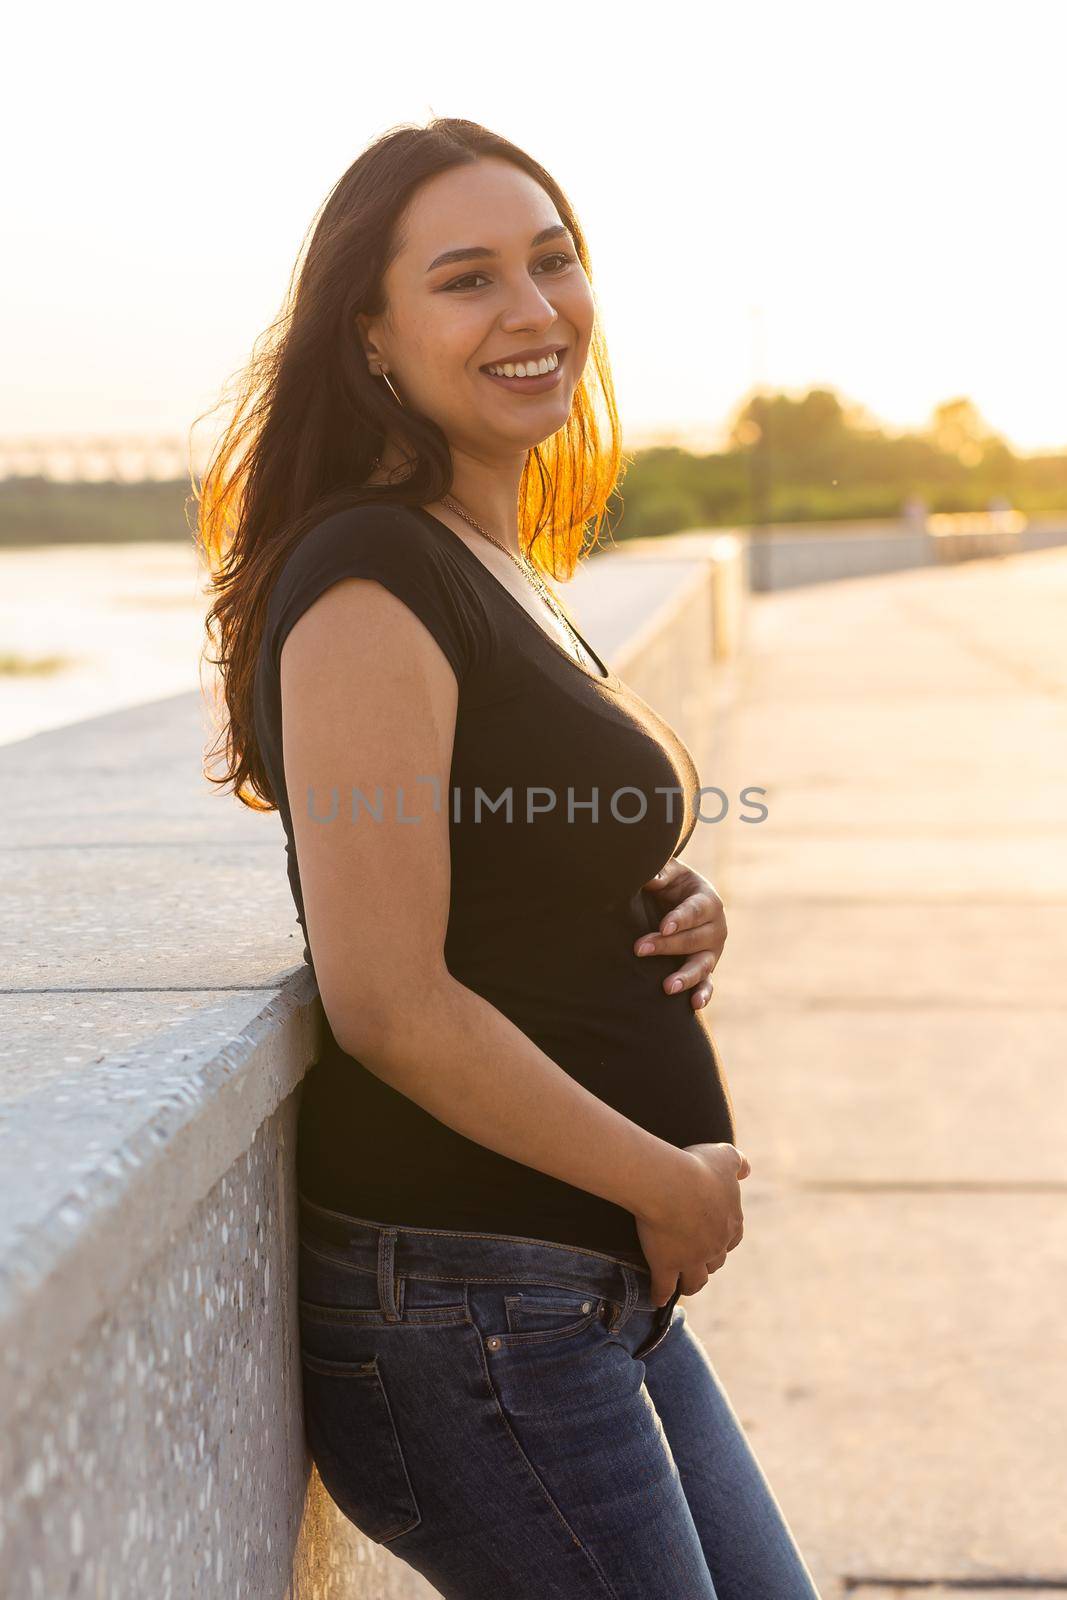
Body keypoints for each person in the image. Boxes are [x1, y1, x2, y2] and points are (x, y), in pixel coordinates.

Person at [199, 116, 822, 1598]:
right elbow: (388, 999)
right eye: (467, 280)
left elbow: (504, 840)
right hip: (473, 1308)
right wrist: (666, 1183)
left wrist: (659, 889)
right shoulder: (366, 578)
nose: (534, 312)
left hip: (567, 1286)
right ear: (371, 336)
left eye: (553, 262)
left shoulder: (494, 564)